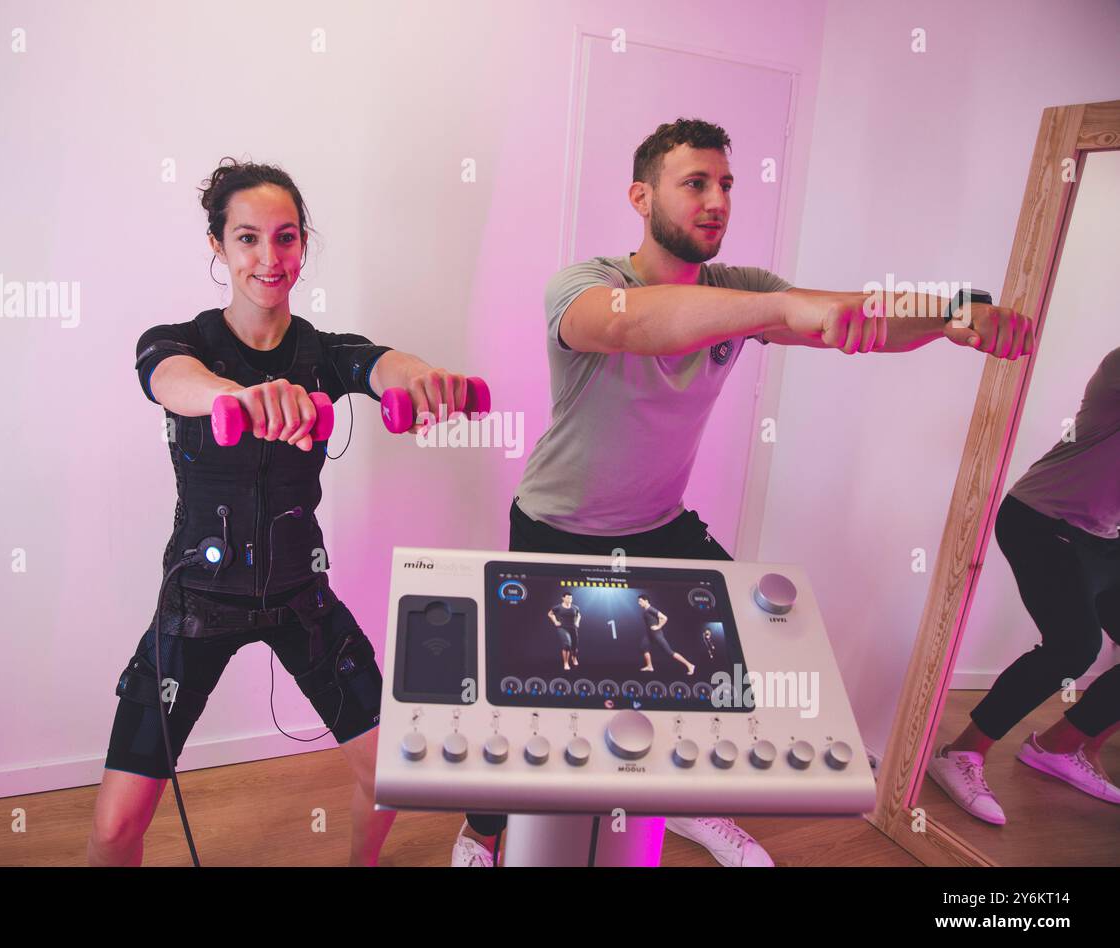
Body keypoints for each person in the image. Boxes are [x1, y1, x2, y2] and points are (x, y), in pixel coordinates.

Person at [451, 117, 1033, 868]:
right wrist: (783, 310)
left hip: (659, 525)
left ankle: (682, 800)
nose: (717, 199)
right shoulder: (587, 283)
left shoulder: (741, 291)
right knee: (528, 699)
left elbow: (852, 312)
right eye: (695, 183)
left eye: (726, 184)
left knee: (734, 658)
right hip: (558, 527)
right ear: (641, 195)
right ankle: (483, 833)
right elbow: (635, 328)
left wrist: (956, 311)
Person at [88, 158, 475, 867]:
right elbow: (168, 380)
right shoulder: (182, 343)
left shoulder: (320, 356)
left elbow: (379, 363)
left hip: (302, 599)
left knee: (389, 774)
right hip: (197, 605)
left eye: (287, 238)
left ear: (303, 244)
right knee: (116, 827)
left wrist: (423, 379)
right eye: (247, 239)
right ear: (218, 246)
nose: (270, 259)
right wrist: (234, 399)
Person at [928, 345, 1120, 824]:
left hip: (1105, 535)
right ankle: (961, 753)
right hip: (1041, 518)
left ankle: (1060, 746)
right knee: (1074, 646)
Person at [637, 595, 695, 673]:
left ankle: (690, 665)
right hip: (649, 634)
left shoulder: (651, 609)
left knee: (669, 652)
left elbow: (664, 617)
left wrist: (658, 626)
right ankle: (649, 666)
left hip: (656, 634)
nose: (639, 603)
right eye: (638, 601)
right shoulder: (646, 610)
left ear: (646, 601)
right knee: (644, 647)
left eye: (640, 601)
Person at [548, 592, 581, 670]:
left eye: (571, 598)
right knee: (567, 645)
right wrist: (555, 621)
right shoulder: (558, 607)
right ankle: (566, 663)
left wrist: (577, 622)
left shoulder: (575, 608)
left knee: (574, 647)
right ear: (563, 598)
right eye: (568, 598)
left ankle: (574, 658)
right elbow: (550, 614)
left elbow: (579, 615)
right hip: (562, 628)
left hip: (573, 628)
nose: (569, 599)